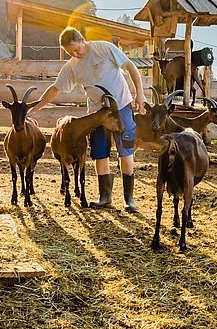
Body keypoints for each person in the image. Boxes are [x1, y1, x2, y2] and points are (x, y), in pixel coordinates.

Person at [29, 26, 147, 212]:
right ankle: (105, 197)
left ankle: (129, 199)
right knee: (100, 152)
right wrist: (36, 107)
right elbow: (55, 88)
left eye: (76, 49)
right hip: (97, 114)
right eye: (70, 52)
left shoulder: (103, 48)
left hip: (121, 106)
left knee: (126, 149)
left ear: (83, 39)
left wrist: (140, 94)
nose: (75, 54)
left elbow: (130, 66)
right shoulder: (72, 66)